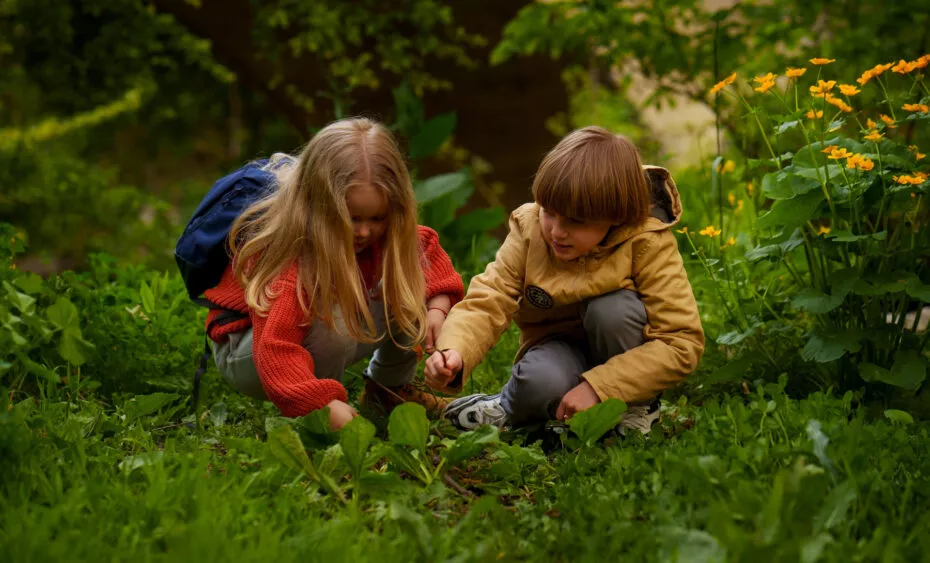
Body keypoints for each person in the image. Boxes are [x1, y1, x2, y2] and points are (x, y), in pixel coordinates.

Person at [424, 126, 704, 435]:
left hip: (625, 352)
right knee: (539, 383)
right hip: (557, 347)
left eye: (576, 222)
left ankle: (636, 408)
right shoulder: (529, 229)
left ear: (617, 215)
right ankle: (507, 404)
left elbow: (681, 342)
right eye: (550, 213)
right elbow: (489, 297)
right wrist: (455, 351)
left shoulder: (648, 240)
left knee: (612, 310)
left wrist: (601, 388)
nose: (557, 231)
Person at [204, 118, 464, 430]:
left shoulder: (387, 232)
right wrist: (322, 404)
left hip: (303, 331)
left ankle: (387, 391)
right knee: (335, 324)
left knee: (408, 283)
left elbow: (427, 253)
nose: (365, 231)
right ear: (318, 205)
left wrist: (437, 306)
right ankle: (319, 415)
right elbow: (276, 349)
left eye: (377, 217)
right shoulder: (294, 260)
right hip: (251, 353)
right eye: (351, 218)